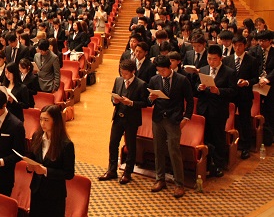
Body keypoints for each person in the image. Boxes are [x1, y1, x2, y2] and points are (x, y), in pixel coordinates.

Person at [25, 104, 75, 217]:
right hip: (37, 190)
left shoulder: (66, 145)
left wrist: (46, 171)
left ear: (56, 121)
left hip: (54, 195)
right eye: (41, 119)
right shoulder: (37, 136)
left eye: (46, 120)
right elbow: (32, 157)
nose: (42, 123)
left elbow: (69, 174)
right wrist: (29, 167)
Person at [148, 55, 193, 198]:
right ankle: (160, 179)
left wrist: (186, 118)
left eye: (163, 70)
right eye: (158, 70)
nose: (161, 73)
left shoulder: (182, 80)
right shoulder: (155, 80)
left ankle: (179, 184)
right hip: (158, 118)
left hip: (174, 119)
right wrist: (151, 99)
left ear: (170, 67)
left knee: (174, 151)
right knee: (158, 149)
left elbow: (190, 101)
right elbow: (149, 101)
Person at [99, 59, 148, 184]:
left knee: (130, 146)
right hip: (118, 117)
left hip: (131, 119)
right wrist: (114, 100)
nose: (123, 76)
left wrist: (131, 103)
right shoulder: (118, 80)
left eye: (126, 73)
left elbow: (145, 103)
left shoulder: (141, 84)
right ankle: (111, 170)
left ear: (133, 72)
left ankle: (127, 173)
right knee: (113, 143)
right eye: (122, 73)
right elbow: (113, 95)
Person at [196, 45, 237, 177]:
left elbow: (233, 92)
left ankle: (219, 165)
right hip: (203, 109)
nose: (211, 62)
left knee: (218, 138)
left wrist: (219, 91)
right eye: (209, 58)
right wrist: (199, 88)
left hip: (218, 110)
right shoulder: (203, 69)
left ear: (220, 58)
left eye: (214, 59)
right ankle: (207, 165)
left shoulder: (229, 72)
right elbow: (195, 89)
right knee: (205, 137)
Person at [222, 34, 259, 159]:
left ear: (245, 46)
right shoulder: (227, 60)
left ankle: (245, 147)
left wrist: (247, 82)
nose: (237, 48)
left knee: (245, 120)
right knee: (229, 119)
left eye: (240, 45)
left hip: (245, 95)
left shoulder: (252, 60)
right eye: (235, 45)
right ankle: (229, 144)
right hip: (231, 95)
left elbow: (255, 78)